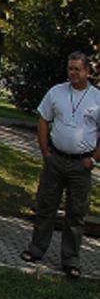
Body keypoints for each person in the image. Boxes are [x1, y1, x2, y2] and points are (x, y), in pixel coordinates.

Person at [21, 51, 98, 279]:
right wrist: (45, 151)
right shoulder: (56, 92)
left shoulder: (97, 98)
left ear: (87, 71)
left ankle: (71, 260)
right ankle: (36, 249)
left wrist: (94, 159)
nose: (73, 73)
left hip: (81, 165)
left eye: (77, 69)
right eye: (70, 68)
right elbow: (44, 120)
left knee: (76, 214)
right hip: (55, 160)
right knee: (45, 207)